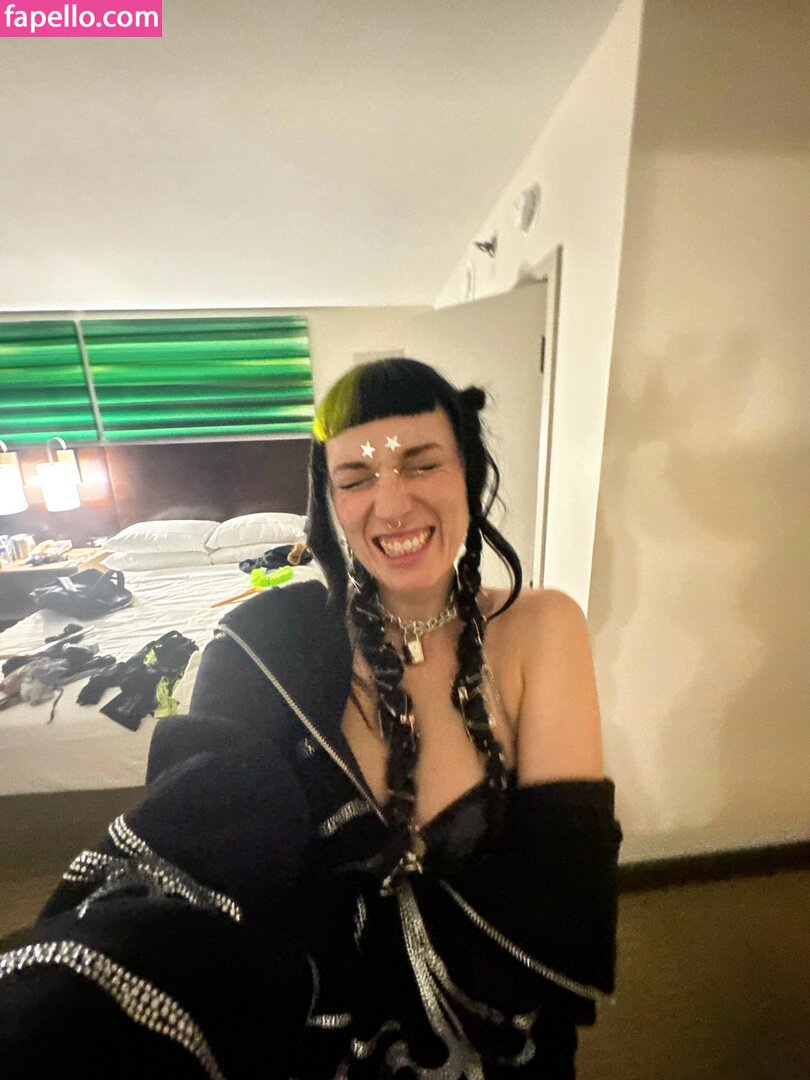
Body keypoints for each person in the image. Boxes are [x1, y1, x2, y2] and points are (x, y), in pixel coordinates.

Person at [0, 358, 622, 1079]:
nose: (392, 505)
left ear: (469, 475)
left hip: (507, 1041)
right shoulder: (263, 647)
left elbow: (565, 895)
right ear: (328, 501)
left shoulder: (542, 628)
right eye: (356, 478)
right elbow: (196, 852)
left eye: (422, 464)